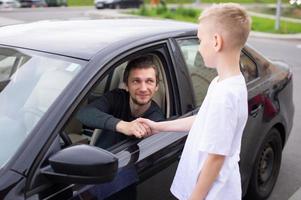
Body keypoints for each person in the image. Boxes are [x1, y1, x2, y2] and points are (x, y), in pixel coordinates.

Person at [138, 3, 251, 200]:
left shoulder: (225, 95)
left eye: (200, 40)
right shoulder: (222, 83)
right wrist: (158, 127)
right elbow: (203, 120)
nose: (199, 48)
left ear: (216, 42)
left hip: (212, 194)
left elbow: (216, 157)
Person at [76, 55, 165, 149]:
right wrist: (123, 125)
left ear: (156, 87)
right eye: (136, 81)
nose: (143, 89)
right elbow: (83, 113)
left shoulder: (156, 121)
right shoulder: (117, 97)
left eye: (149, 81)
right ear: (126, 85)